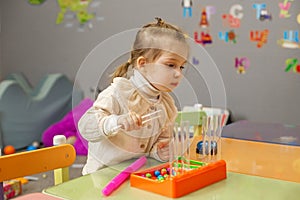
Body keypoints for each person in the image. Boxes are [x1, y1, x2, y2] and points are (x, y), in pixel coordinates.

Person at [78, 17, 189, 175]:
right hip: (101, 179)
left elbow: (156, 145)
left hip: (136, 176)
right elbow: (85, 127)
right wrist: (116, 121)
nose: (178, 73)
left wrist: (160, 152)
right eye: (171, 65)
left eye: (181, 66)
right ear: (143, 64)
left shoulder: (167, 105)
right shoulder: (117, 92)